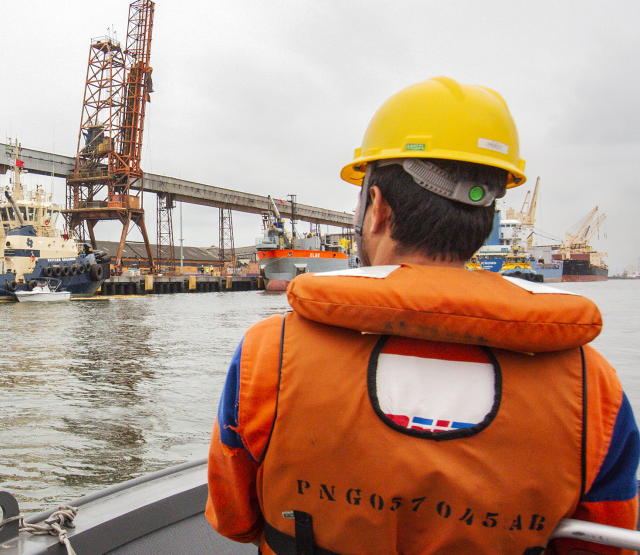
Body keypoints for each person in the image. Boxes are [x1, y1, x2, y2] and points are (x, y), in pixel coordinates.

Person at [206, 77, 639, 554]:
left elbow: (235, 518)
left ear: (376, 208)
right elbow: (606, 544)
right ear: (484, 216)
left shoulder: (268, 357)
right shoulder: (591, 388)